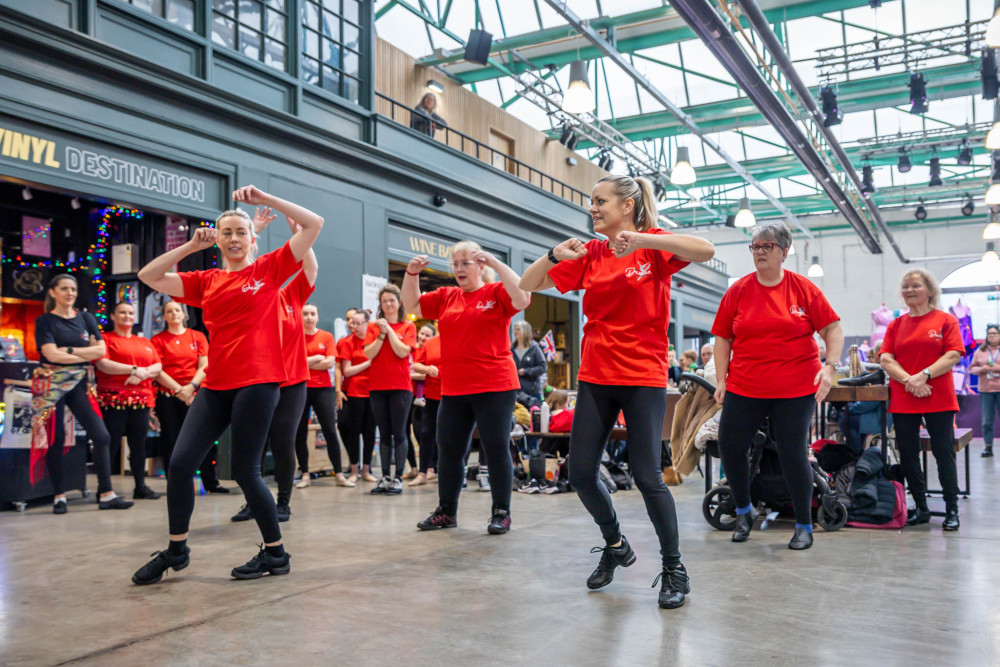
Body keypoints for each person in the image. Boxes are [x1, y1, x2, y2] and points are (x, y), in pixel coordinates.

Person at [520, 174, 715, 609]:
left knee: (648, 476)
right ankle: (615, 545)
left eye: (600, 200)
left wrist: (644, 239)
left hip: (643, 375)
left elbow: (707, 249)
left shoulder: (653, 246)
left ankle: (674, 568)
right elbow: (529, 284)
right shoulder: (590, 253)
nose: (592, 207)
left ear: (627, 205)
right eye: (591, 201)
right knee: (581, 470)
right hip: (596, 375)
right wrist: (555, 254)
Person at [131, 184, 322, 585]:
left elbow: (313, 223)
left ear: (253, 238)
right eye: (226, 233)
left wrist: (266, 200)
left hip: (259, 381)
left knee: (246, 471)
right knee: (181, 464)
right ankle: (177, 549)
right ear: (216, 239)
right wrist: (186, 247)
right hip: (216, 383)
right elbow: (148, 275)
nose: (233, 238)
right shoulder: (206, 280)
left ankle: (276, 553)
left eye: (241, 232)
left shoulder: (269, 270)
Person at [712, 221, 843, 551]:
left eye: (766, 246)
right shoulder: (739, 290)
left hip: (795, 386)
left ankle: (802, 525)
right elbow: (723, 339)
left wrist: (829, 367)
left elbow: (833, 329)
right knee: (728, 443)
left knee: (792, 451)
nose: (759, 252)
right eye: (755, 247)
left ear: (784, 251)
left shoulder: (803, 289)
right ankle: (744, 511)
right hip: (746, 383)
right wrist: (721, 380)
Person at [404, 240, 530, 534]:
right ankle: (446, 511)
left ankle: (501, 512)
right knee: (448, 449)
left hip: (495, 384)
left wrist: (497, 264)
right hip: (455, 386)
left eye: (466, 263)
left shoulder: (496, 292)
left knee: (496, 446)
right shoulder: (447, 296)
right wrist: (411, 274)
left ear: (480, 266)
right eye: (455, 264)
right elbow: (411, 305)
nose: (459, 269)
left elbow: (522, 298)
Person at [231, 209, 317, 523]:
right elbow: (240, 267)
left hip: (292, 382)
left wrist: (299, 238)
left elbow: (310, 268)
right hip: (256, 381)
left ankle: (282, 501)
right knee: (254, 444)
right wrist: (253, 230)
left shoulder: (290, 295)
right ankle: (254, 501)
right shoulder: (246, 298)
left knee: (282, 441)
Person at [33, 274, 134, 513]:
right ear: (52, 292)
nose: (70, 293)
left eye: (74, 289)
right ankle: (59, 496)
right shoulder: (45, 321)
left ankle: (107, 494)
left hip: (80, 383)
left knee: (101, 436)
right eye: (65, 289)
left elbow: (100, 350)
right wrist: (82, 354)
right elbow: (50, 355)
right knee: (55, 440)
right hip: (51, 386)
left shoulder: (86, 318)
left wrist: (67, 350)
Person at [879, 269, 964, 530]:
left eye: (915, 285)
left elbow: (953, 355)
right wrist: (910, 381)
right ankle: (921, 507)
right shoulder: (896, 324)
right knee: (908, 455)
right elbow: (885, 358)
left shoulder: (945, 320)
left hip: (938, 397)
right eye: (905, 286)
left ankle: (951, 509)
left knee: (943, 453)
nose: (909, 290)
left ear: (929, 291)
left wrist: (924, 376)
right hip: (906, 397)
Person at [152, 300, 229, 494]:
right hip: (169, 396)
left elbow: (205, 364)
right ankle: (175, 484)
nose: (174, 314)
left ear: (184, 314)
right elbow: (158, 370)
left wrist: (192, 387)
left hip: (196, 395)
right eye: (169, 311)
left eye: (177, 310)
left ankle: (211, 482)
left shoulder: (197, 336)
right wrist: (181, 390)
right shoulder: (158, 340)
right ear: (164, 316)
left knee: (205, 439)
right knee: (172, 440)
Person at [94, 301, 163, 500]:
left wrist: (142, 374)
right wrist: (133, 370)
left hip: (141, 400)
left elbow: (158, 366)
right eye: (122, 312)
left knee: (139, 445)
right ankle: (104, 488)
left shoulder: (144, 342)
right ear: (113, 316)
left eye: (131, 313)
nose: (127, 316)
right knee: (111, 443)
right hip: (113, 399)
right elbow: (103, 364)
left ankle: (140, 486)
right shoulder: (106, 340)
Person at [365, 284, 417, 495]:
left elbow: (403, 352)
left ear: (399, 303)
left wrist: (389, 330)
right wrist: (381, 334)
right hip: (377, 387)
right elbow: (369, 354)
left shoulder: (408, 327)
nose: (388, 304)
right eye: (384, 301)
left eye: (392, 300)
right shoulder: (372, 328)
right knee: (384, 433)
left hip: (401, 387)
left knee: (400, 432)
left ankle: (398, 477)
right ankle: (385, 476)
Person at [296, 303, 354, 486]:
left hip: (323, 389)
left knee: (330, 430)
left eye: (313, 313)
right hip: (300, 388)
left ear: (318, 317)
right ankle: (305, 474)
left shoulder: (327, 336)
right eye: (305, 314)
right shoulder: (295, 337)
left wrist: (304, 362)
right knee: (299, 432)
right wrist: (315, 359)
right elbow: (292, 363)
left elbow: (329, 363)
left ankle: (339, 474)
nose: (309, 317)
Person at [337, 309, 377, 483]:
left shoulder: (374, 341)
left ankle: (366, 470)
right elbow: (347, 370)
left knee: (369, 432)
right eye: (352, 323)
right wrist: (369, 362)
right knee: (353, 431)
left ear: (367, 323)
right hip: (355, 391)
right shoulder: (347, 343)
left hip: (374, 390)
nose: (354, 326)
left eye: (357, 323)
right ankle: (354, 469)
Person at [409, 324, 440, 487]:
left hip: (450, 394)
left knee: (446, 435)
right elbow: (417, 365)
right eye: (421, 333)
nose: (422, 337)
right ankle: (422, 471)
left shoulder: (456, 341)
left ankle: (438, 470)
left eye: (426, 334)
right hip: (427, 395)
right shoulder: (428, 345)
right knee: (425, 432)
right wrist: (427, 369)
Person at [970, 324, 1000, 458]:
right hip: (986, 391)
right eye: (990, 334)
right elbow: (971, 369)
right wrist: (982, 369)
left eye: (994, 333)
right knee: (987, 420)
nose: (992, 336)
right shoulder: (980, 351)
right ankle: (988, 446)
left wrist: (996, 367)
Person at [511, 321, 546, 400]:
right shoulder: (511, 349)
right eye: (514, 329)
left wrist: (526, 371)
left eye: (518, 329)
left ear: (525, 331)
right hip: (515, 392)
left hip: (532, 393)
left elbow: (542, 367)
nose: (515, 332)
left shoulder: (534, 347)